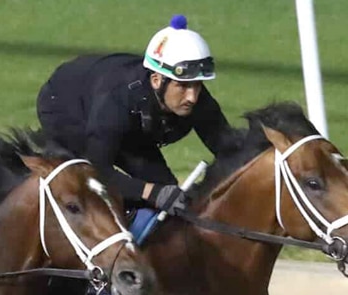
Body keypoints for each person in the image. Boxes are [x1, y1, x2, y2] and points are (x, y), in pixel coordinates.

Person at [35, 15, 232, 214]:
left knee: (169, 192)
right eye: (182, 86)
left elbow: (230, 148)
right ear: (157, 80)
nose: (192, 97)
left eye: (198, 85)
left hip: (127, 123)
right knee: (94, 193)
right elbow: (95, 171)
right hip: (66, 106)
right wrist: (149, 192)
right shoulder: (115, 103)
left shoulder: (197, 99)